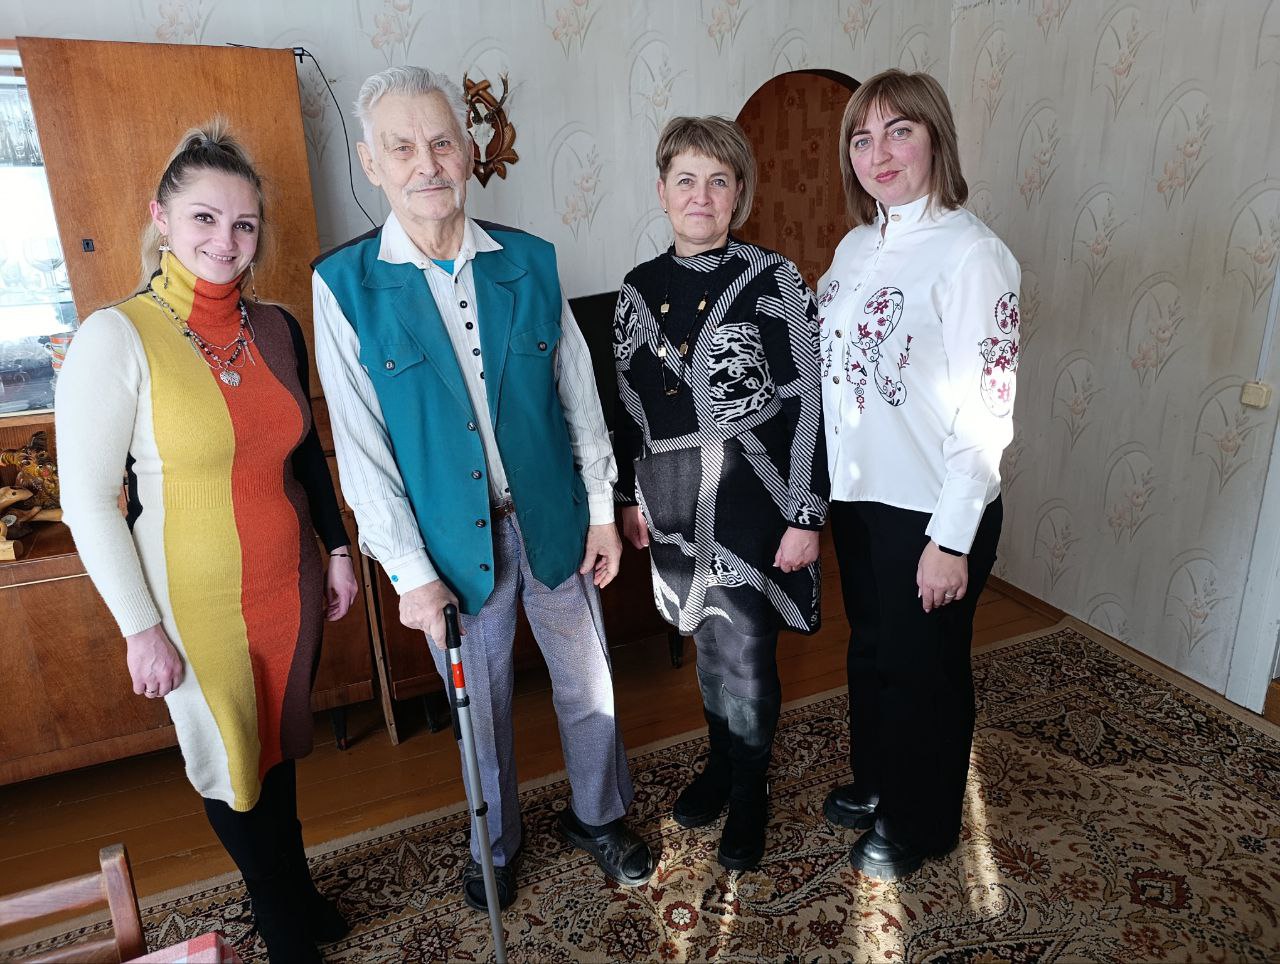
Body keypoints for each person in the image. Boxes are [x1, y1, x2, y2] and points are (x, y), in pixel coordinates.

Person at [311, 65, 654, 911]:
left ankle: (599, 816)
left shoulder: (529, 262)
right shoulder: (344, 286)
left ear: (467, 152)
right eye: (401, 147)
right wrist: (407, 572)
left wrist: (601, 510)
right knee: (480, 712)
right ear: (370, 162)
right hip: (447, 548)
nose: (426, 163)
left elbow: (579, 397)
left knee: (589, 686)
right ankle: (493, 843)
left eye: (441, 142)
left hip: (553, 520)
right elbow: (362, 449)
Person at [56, 122, 360, 962]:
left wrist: (337, 548)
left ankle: (293, 888)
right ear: (161, 218)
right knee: (230, 759)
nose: (226, 241)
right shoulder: (115, 337)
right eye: (204, 218)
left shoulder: (278, 328)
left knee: (275, 746)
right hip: (194, 605)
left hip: (289, 586)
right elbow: (88, 501)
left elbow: (305, 454)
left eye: (243, 224)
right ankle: (279, 916)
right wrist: (140, 628)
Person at [817, 68, 1020, 881]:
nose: (879, 153)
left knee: (924, 668)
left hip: (932, 508)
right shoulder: (855, 246)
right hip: (861, 496)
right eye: (862, 139)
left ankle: (923, 820)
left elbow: (988, 408)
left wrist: (951, 538)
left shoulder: (973, 254)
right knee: (872, 652)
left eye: (899, 131)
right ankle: (878, 782)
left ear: (936, 139)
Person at [613, 116, 828, 870]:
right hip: (672, 503)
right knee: (706, 644)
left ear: (739, 193)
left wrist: (806, 514)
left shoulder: (775, 279)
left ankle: (751, 789)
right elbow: (627, 407)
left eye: (718, 181)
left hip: (752, 503)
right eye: (686, 180)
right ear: (662, 191)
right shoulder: (636, 290)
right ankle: (720, 763)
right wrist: (629, 499)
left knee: (748, 653)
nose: (700, 196)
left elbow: (808, 398)